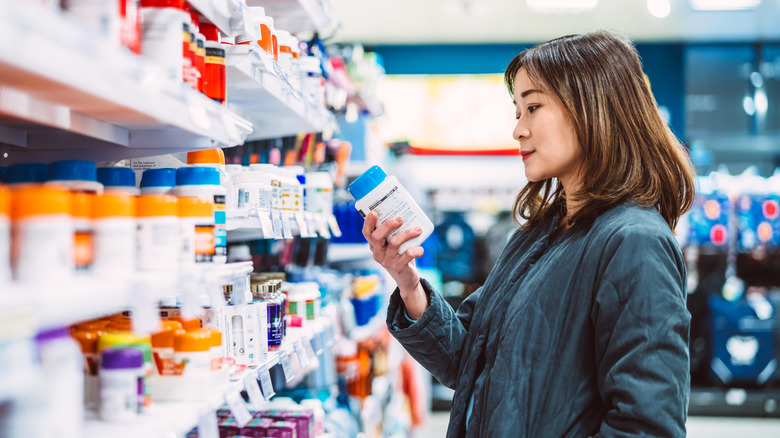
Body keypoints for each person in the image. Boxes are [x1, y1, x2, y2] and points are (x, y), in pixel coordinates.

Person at [362, 31, 695, 437]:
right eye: (517, 112)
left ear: (592, 108)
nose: (518, 130)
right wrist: (409, 283)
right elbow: (466, 361)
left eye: (532, 107)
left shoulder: (634, 242)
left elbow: (646, 426)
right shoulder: (538, 234)